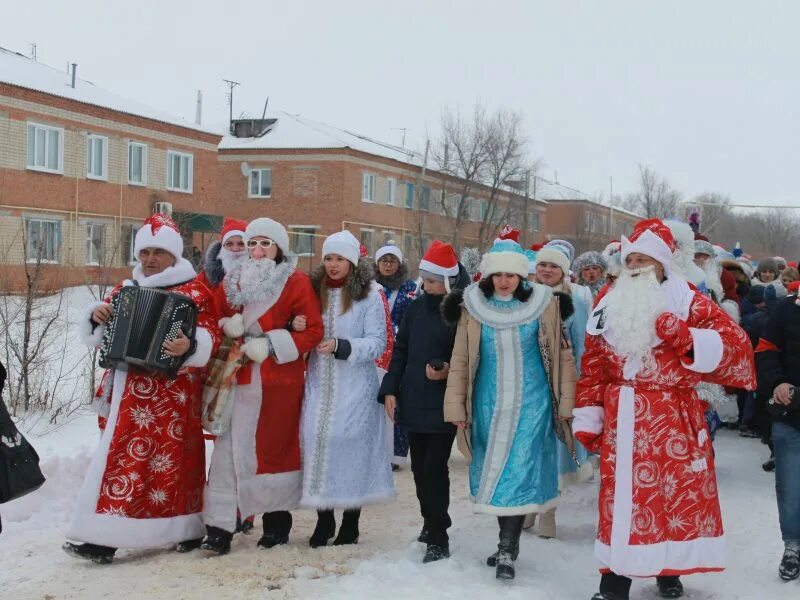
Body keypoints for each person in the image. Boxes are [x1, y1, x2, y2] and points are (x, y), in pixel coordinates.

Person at [573, 218, 756, 600]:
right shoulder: (608, 302)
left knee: (671, 498)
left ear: (661, 265)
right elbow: (592, 365)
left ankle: (667, 570)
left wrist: (685, 336)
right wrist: (589, 414)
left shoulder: (688, 299)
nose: (636, 265)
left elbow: (736, 348)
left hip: (671, 417)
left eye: (645, 259)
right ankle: (613, 584)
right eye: (631, 259)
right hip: (622, 417)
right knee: (620, 500)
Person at [64, 214, 221, 564]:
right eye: (145, 252)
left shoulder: (195, 291)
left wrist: (191, 347)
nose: (150, 259)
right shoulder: (126, 290)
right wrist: (97, 317)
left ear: (174, 256)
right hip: (130, 395)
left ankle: (185, 528)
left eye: (158, 252)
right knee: (125, 461)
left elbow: (211, 336)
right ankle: (105, 536)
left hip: (174, 396)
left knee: (174, 466)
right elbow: (101, 340)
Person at [443, 239, 578, 581]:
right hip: (488, 404)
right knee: (497, 475)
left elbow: (562, 356)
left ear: (523, 277)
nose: (505, 281)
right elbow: (460, 359)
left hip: (532, 403)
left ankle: (507, 547)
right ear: (489, 276)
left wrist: (566, 403)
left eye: (512, 275)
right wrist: (457, 406)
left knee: (518, 470)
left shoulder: (544, 304)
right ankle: (508, 542)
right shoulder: (472, 307)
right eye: (498, 274)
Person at [201, 218, 324, 555]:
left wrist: (272, 344)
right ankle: (219, 528)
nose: (256, 250)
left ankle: (276, 524)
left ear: (279, 248)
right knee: (226, 452)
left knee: (273, 450)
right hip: (237, 377)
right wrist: (230, 323)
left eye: (265, 244)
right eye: (252, 243)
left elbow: (312, 330)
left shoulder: (296, 282)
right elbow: (216, 313)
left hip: (277, 383)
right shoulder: (233, 279)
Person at [378, 241, 470, 564]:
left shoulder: (459, 312)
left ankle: (439, 534)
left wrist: (446, 370)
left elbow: (466, 356)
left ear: (447, 281)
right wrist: (390, 389)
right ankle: (430, 521)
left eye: (433, 281)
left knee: (434, 468)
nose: (426, 286)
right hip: (414, 401)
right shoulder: (415, 309)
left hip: (444, 405)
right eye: (425, 280)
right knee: (419, 468)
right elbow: (400, 351)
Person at [301, 230, 394, 547]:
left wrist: (343, 346)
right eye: (328, 258)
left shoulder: (369, 296)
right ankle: (323, 520)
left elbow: (377, 342)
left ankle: (350, 523)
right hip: (319, 384)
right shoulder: (314, 292)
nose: (333, 264)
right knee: (318, 444)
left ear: (352, 262)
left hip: (355, 386)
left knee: (352, 447)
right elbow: (301, 324)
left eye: (339, 258)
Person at [531, 240, 594, 538]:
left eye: (553, 266)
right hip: (528, 385)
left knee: (554, 447)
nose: (546, 270)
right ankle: (528, 505)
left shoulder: (575, 303)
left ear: (564, 271)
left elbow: (582, 347)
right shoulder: (522, 297)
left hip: (558, 384)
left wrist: (578, 386)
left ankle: (548, 512)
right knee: (529, 447)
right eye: (542, 264)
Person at [756, 286, 800, 582]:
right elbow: (765, 351)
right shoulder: (785, 309)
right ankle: (793, 548)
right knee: (791, 489)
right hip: (790, 413)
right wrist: (777, 383)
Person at [374, 244, 417, 469]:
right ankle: (373, 451)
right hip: (373, 353)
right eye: (384, 261)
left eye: (392, 261)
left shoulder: (409, 287)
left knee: (396, 402)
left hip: (399, 353)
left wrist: (395, 332)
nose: (388, 265)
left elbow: (410, 317)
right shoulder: (369, 287)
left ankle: (394, 455)